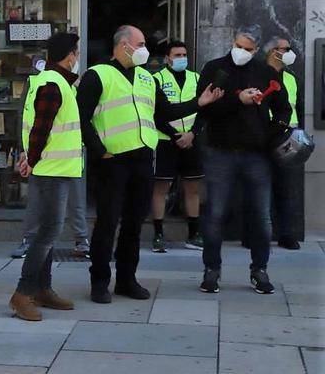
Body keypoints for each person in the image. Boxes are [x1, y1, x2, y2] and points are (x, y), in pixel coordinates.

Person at [77, 25, 224, 304]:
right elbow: (81, 118)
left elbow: (165, 112)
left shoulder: (146, 77)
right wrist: (99, 151)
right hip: (112, 161)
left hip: (142, 159)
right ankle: (99, 282)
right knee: (107, 224)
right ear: (123, 45)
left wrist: (199, 103)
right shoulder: (98, 75)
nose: (146, 49)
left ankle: (126, 280)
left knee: (134, 223)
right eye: (141, 43)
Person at [197, 26, 292, 294]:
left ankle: (259, 270)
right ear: (233, 42)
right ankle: (211, 270)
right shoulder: (216, 68)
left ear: (257, 49)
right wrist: (238, 100)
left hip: (256, 155)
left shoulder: (264, 72)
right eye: (240, 46)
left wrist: (273, 131)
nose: (243, 52)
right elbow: (204, 106)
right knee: (215, 214)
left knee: (262, 216)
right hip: (220, 151)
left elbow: (283, 107)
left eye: (249, 49)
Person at [9, 33, 82, 321]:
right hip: (51, 170)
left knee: (47, 231)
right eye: (76, 52)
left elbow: (34, 127)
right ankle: (23, 293)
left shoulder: (49, 81)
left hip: (51, 168)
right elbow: (41, 128)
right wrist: (32, 160)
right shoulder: (53, 84)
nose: (77, 57)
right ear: (70, 55)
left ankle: (42, 289)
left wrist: (29, 158)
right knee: (48, 232)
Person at [150, 40, 205, 253]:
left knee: (193, 188)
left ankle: (194, 234)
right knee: (160, 189)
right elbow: (155, 113)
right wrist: (175, 137)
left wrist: (192, 134)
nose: (182, 58)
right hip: (165, 141)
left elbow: (203, 110)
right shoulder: (156, 80)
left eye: (184, 54)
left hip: (191, 141)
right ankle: (158, 235)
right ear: (167, 58)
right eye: (177, 55)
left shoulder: (196, 78)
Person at [262, 37, 302, 250]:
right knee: (259, 188)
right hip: (261, 136)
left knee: (285, 188)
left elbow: (297, 108)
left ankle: (286, 234)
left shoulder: (291, 78)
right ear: (273, 52)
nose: (289, 52)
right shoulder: (258, 75)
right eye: (285, 49)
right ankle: (257, 236)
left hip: (286, 139)